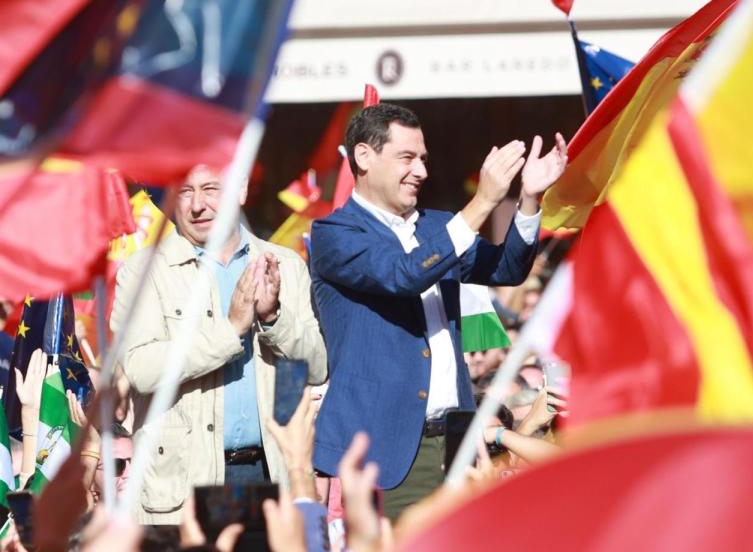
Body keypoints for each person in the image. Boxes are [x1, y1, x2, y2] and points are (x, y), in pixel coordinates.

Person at [310, 103, 566, 521]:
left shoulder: (437, 226)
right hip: (385, 455)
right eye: (407, 158)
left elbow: (507, 269)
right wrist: (481, 203)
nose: (421, 171)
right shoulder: (334, 235)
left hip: (457, 443)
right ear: (363, 157)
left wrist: (529, 199)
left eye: (424, 159)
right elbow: (403, 276)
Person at [111, 164, 328, 525]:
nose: (198, 205)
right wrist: (230, 330)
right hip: (185, 485)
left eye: (211, 189)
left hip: (271, 474)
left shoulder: (286, 266)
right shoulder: (142, 273)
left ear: (240, 190)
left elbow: (316, 366)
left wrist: (274, 316)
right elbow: (141, 369)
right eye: (185, 191)